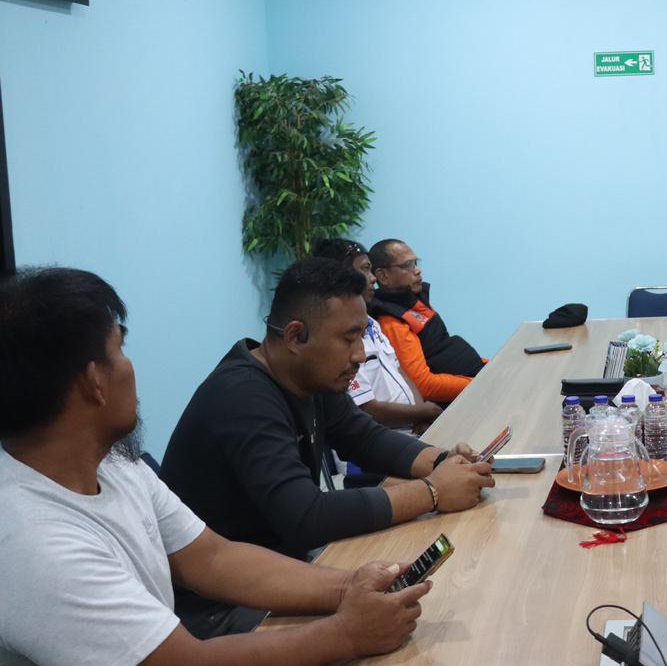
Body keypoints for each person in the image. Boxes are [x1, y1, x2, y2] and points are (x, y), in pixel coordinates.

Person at [0, 267, 432, 665]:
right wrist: (347, 635)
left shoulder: (113, 465)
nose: (131, 368)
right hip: (196, 633)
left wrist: (349, 586)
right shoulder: (36, 542)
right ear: (93, 382)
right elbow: (184, 662)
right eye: (120, 349)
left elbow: (213, 558)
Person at [161, 258, 494, 638]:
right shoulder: (242, 397)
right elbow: (306, 517)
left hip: (285, 571)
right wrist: (432, 492)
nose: (360, 354)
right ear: (295, 336)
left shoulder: (306, 375)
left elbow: (365, 438)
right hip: (221, 609)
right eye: (348, 339)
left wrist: (446, 462)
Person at [313, 238, 442, 434]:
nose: (373, 278)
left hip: (413, 429)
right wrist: (423, 412)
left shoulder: (372, 323)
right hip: (382, 438)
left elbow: (400, 371)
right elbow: (367, 409)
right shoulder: (336, 339)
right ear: (341, 276)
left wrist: (420, 414)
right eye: (365, 269)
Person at [368, 238, 485, 403]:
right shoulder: (391, 321)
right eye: (407, 265)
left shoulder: (414, 301)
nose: (417, 271)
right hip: (464, 398)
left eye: (416, 263)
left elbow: (445, 349)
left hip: (476, 377)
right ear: (383, 275)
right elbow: (424, 385)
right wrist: (482, 383)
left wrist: (491, 366)